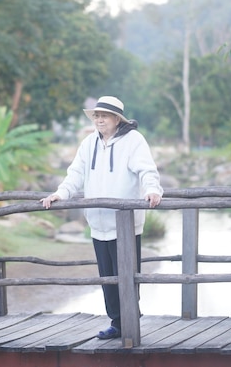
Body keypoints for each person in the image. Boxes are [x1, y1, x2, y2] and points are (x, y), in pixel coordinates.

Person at [41, 95, 163, 340]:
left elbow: (147, 170)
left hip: (126, 224)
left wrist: (153, 190)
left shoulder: (134, 141)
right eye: (96, 115)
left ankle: (130, 321)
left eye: (103, 116)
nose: (99, 120)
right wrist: (59, 193)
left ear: (117, 119)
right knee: (108, 278)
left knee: (127, 275)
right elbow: (75, 174)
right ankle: (117, 323)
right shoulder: (88, 143)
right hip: (98, 224)